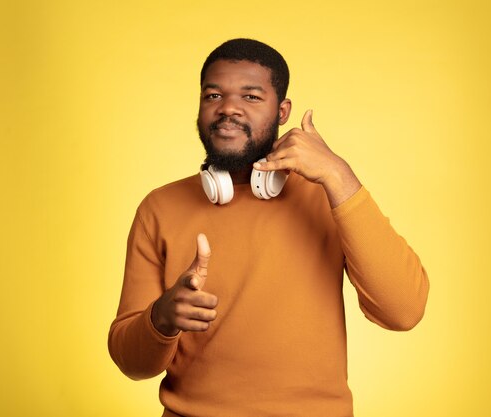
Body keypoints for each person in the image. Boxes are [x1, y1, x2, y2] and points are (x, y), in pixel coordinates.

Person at [108, 38, 429, 417]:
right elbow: (132, 364)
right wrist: (161, 318)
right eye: (213, 95)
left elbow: (403, 311)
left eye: (251, 97)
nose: (228, 108)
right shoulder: (159, 208)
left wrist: (339, 176)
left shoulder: (328, 197)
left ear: (283, 111)